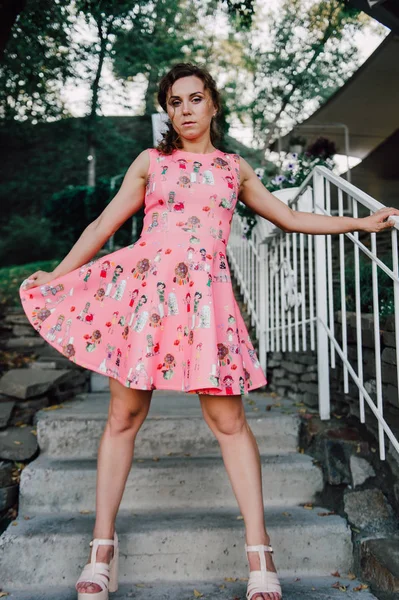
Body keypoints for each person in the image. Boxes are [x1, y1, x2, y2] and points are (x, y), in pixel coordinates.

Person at [19, 62, 399, 600]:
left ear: (213, 104)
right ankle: (102, 549)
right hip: (147, 299)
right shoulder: (152, 163)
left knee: (228, 420)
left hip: (206, 307)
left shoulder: (233, 168)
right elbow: (103, 225)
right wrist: (59, 275)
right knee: (123, 414)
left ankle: (260, 552)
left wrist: (360, 222)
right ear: (168, 111)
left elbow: (288, 218)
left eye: (195, 99)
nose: (186, 110)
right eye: (176, 103)